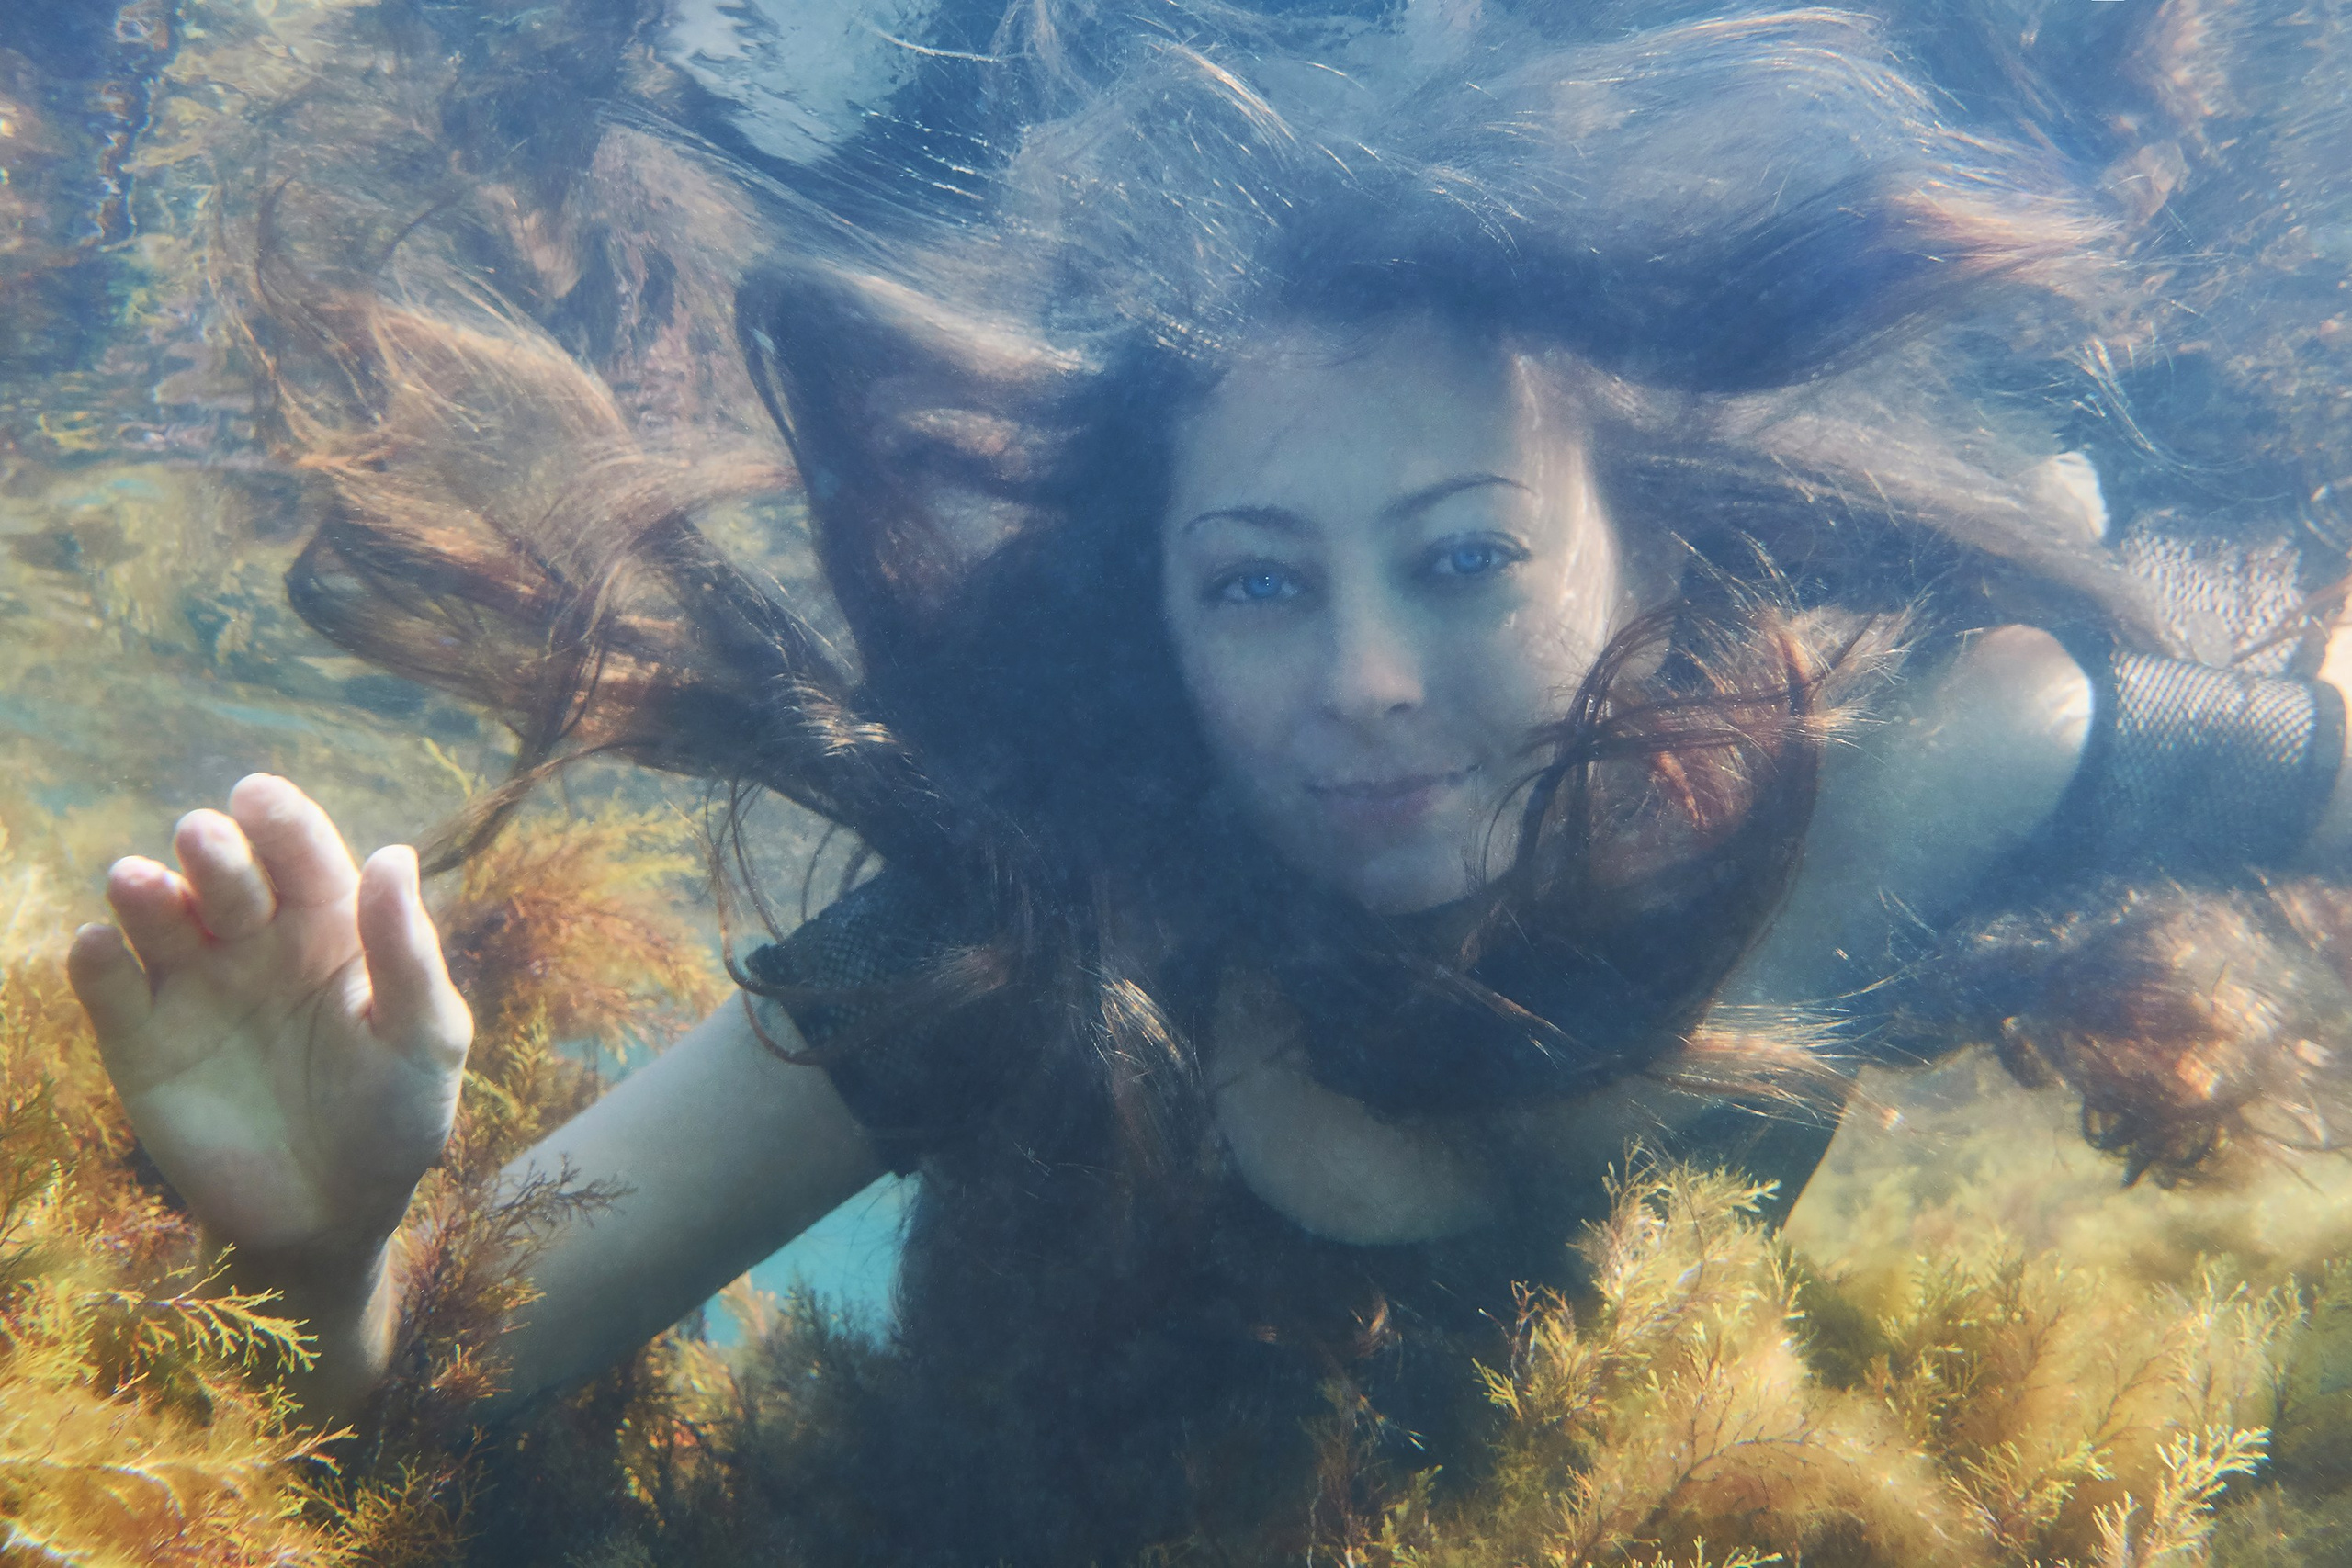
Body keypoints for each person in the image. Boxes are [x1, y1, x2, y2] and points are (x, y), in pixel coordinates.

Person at [61, 6, 2352, 1561]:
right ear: (1152, 618)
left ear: (1642, 550)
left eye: (1461, 561)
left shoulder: (1902, 777)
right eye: (1255, 588)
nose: (1363, 679)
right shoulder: (1024, 927)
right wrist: (338, 1226)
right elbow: (410, 1405)